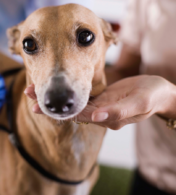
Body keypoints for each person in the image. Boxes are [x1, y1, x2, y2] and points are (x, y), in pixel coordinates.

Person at [24, 0, 176, 194]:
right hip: (153, 173)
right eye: (30, 45)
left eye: (84, 37)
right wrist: (86, 86)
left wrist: (170, 101)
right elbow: (124, 71)